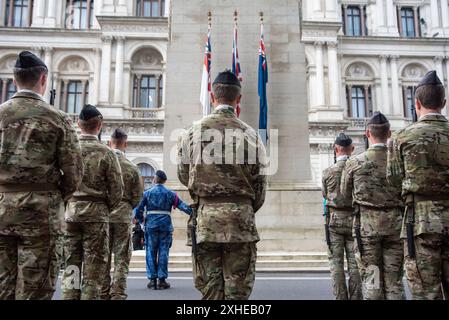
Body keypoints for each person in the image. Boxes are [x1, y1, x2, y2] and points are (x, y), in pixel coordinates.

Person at [177, 70, 267, 300]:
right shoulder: (252, 136)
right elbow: (260, 184)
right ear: (238, 99)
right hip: (241, 220)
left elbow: (183, 174)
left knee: (210, 290)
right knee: (237, 292)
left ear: (212, 96)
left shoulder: (191, 133)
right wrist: (243, 206)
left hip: (206, 220)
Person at [0, 51, 83, 300]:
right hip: (41, 213)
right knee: (35, 289)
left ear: (15, 80)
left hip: (1, 209)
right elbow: (73, 173)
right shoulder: (58, 119)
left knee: (3, 286)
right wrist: (55, 197)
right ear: (43, 79)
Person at [387, 70, 449, 300]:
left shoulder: (402, 138)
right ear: (443, 103)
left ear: (417, 103)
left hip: (421, 222)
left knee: (425, 292)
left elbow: (393, 181)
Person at [340, 112, 405, 300]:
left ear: (368, 133)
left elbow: (345, 195)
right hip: (395, 225)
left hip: (366, 229)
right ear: (389, 133)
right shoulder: (399, 161)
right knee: (394, 281)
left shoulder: (355, 162)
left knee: (372, 280)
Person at [61, 105, 123, 300]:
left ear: (78, 124)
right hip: (97, 215)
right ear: (100, 126)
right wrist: (105, 208)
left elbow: (59, 181)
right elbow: (117, 190)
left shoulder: (69, 150)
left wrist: (67, 204)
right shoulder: (107, 153)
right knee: (93, 269)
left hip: (70, 213)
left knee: (71, 265)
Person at [100, 129, 143, 300]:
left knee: (103, 257)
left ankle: (103, 292)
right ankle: (117, 293)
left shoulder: (103, 163)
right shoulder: (132, 168)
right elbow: (138, 197)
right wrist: (126, 206)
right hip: (123, 216)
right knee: (121, 259)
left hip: (103, 215)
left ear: (110, 143)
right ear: (125, 144)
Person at [134, 170, 192, 290]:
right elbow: (182, 206)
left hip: (151, 226)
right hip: (165, 226)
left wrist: (142, 221)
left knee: (150, 252)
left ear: (154, 179)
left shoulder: (147, 193)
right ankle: (162, 280)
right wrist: (193, 212)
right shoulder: (171, 194)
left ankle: (152, 281)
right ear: (165, 181)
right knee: (163, 252)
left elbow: (138, 210)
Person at [322, 133, 362, 300]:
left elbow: (325, 194)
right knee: (355, 265)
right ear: (352, 149)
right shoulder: (358, 169)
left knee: (336, 265)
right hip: (354, 220)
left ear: (335, 149)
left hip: (334, 220)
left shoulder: (328, 172)